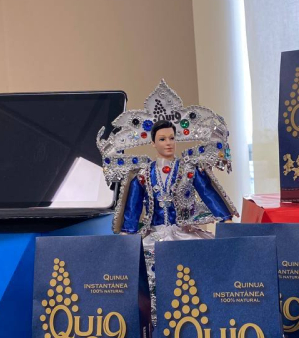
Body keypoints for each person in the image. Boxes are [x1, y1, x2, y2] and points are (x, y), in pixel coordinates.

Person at [97, 80, 238, 322]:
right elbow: (132, 209)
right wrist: (128, 235)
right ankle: (155, 315)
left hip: (185, 232)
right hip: (154, 233)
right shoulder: (142, 174)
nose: (169, 143)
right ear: (153, 143)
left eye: (172, 138)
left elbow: (208, 193)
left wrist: (225, 220)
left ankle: (201, 311)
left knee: (203, 261)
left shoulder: (189, 169)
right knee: (146, 264)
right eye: (162, 139)